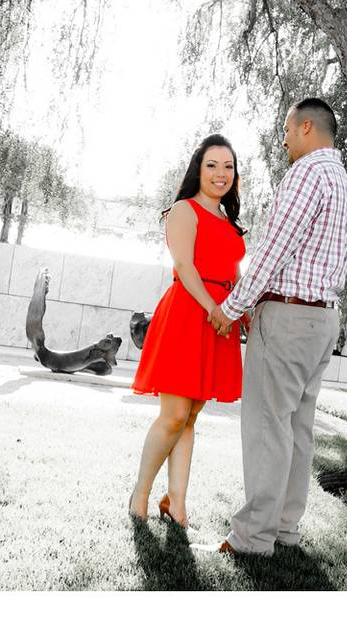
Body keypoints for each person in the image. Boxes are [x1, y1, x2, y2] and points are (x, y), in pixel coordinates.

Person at [204, 98, 347, 556]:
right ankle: (286, 529)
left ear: (306, 127)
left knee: (268, 426)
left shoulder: (307, 172)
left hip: (289, 316)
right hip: (323, 317)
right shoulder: (343, 184)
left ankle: (253, 538)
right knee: (298, 428)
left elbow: (274, 249)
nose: (285, 139)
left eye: (288, 131)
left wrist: (232, 308)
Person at [128, 134, 250, 527]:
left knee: (191, 415)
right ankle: (140, 494)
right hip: (188, 314)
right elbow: (185, 267)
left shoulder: (230, 224)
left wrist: (239, 312)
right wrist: (214, 307)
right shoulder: (184, 210)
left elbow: (234, 274)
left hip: (219, 320)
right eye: (212, 165)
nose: (220, 173)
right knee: (174, 413)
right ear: (198, 168)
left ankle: (176, 502)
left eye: (228, 166)